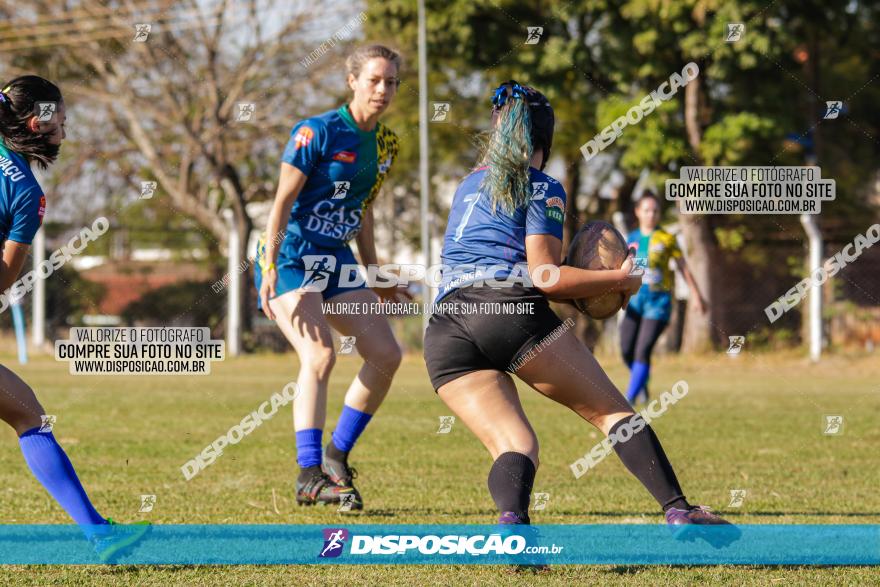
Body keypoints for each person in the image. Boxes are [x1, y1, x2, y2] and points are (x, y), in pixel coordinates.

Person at [423, 80, 734, 536]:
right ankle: (678, 509)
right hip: (506, 311)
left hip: (445, 330)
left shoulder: (467, 185)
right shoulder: (542, 185)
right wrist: (617, 279)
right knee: (612, 413)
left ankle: (513, 529)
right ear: (544, 141)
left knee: (516, 443)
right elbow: (545, 276)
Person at [0, 75, 147, 562]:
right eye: (61, 113)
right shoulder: (26, 193)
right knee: (30, 418)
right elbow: (4, 278)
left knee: (27, 413)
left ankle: (99, 533)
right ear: (38, 119)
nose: (66, 121)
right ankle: (99, 534)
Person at [257, 45, 406, 509]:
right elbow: (281, 203)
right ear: (353, 80)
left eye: (392, 82)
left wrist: (375, 272)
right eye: (375, 80)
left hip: (337, 257)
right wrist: (267, 267)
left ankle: (336, 455)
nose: (383, 89)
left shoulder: (387, 144)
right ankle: (308, 474)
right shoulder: (315, 132)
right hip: (292, 256)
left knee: (386, 354)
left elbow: (364, 211)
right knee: (320, 355)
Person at [621, 193, 706, 404]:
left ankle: (628, 400)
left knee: (643, 350)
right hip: (634, 301)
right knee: (626, 349)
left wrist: (696, 296)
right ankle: (642, 382)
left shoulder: (667, 238)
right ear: (638, 212)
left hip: (658, 303)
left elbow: (683, 267)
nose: (651, 214)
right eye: (647, 210)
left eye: (655, 210)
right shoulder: (630, 239)